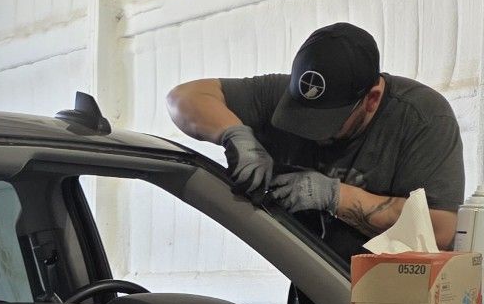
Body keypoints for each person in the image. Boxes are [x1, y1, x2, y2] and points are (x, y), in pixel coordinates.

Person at [165, 23, 463, 258]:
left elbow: (440, 230)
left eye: (329, 122)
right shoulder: (289, 94)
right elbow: (183, 98)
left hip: (390, 295)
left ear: (371, 99)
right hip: (317, 284)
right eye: (302, 117)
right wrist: (235, 134)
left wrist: (335, 196)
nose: (312, 133)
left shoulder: (421, 118)